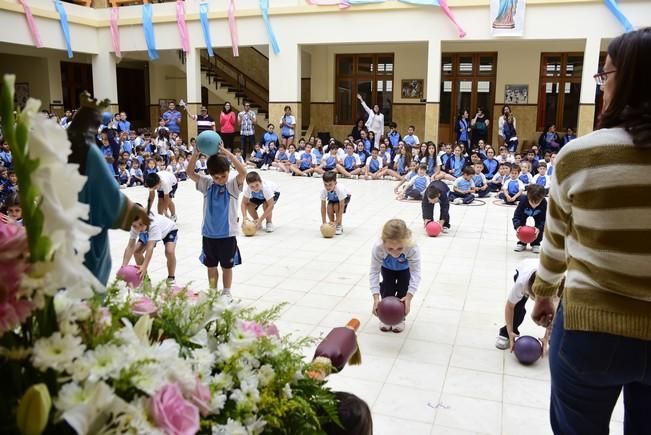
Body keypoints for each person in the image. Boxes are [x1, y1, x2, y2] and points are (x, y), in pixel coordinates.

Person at [530, 28, 651, 435]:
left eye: (605, 75)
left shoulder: (581, 155)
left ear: (629, 78)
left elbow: (555, 244)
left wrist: (544, 293)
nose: (602, 87)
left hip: (590, 330)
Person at [187, 145, 246, 298]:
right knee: (211, 266)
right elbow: (189, 173)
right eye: (216, 177)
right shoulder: (207, 184)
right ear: (211, 175)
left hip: (227, 235)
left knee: (227, 266)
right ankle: (213, 292)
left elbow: (243, 172)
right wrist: (195, 154)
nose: (220, 180)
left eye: (223, 176)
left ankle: (226, 292)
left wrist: (227, 153)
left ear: (228, 172)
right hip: (209, 234)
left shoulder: (233, 185)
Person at [369, 219, 422, 333]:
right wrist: (376, 298)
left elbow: (416, 272)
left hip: (405, 270)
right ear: (384, 243)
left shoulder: (412, 247)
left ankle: (400, 318)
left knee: (403, 289)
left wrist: (409, 297)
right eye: (390, 249)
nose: (395, 253)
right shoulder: (378, 247)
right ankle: (385, 315)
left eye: (400, 248)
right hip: (387, 269)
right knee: (387, 288)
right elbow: (374, 272)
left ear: (406, 243)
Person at [495, 259, 549, 351]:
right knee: (517, 307)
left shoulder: (556, 287)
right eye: (533, 297)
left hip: (544, 273)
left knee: (553, 312)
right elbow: (509, 307)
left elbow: (554, 314)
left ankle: (553, 336)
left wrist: (546, 337)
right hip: (524, 267)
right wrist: (510, 331)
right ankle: (506, 333)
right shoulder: (521, 284)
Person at [122, 209, 178, 284]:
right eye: (135, 226)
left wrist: (144, 266)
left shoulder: (154, 225)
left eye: (141, 224)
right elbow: (130, 246)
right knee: (137, 251)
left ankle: (171, 279)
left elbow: (150, 247)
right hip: (147, 231)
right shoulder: (135, 226)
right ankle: (145, 280)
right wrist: (123, 267)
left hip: (168, 229)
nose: (138, 228)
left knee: (169, 251)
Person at [512, 184, 546, 253]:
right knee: (521, 223)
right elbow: (517, 216)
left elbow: (544, 220)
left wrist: (539, 228)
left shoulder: (544, 203)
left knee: (539, 228)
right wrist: (517, 226)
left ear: (542, 199)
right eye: (532, 202)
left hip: (538, 215)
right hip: (524, 213)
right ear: (528, 197)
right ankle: (522, 242)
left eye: (537, 203)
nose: (534, 205)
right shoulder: (523, 201)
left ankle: (536, 244)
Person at [320, 171, 351, 236]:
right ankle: (332, 224)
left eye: (330, 184)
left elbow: (342, 206)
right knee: (329, 207)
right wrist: (324, 223)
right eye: (325, 184)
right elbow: (323, 207)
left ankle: (339, 225)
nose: (328, 187)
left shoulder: (339, 189)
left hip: (345, 197)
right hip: (333, 198)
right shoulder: (324, 190)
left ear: (335, 183)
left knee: (337, 206)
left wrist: (336, 222)